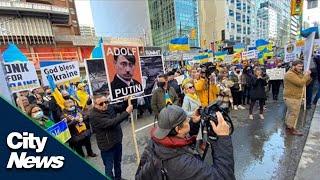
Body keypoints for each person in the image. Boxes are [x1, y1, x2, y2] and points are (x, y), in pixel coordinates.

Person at [135, 105, 235, 180]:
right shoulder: (183, 164)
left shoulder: (155, 142)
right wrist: (223, 138)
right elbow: (224, 176)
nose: (189, 119)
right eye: (186, 120)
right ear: (178, 129)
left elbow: (179, 143)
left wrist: (193, 124)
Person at [89, 95, 133, 180]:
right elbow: (111, 123)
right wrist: (127, 113)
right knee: (109, 168)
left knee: (118, 163)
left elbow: (120, 108)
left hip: (117, 141)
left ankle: (118, 178)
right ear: (95, 105)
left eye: (106, 102)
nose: (105, 105)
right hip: (107, 146)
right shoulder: (94, 116)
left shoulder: (109, 107)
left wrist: (125, 101)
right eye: (101, 103)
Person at [283, 60, 312, 136]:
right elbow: (300, 83)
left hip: (295, 97)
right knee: (293, 114)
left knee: (290, 112)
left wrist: (307, 76)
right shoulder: (290, 74)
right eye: (299, 66)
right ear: (293, 66)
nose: (301, 68)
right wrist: (305, 76)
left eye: (302, 66)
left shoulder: (297, 73)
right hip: (291, 97)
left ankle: (288, 126)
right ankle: (290, 129)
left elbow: (305, 83)